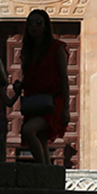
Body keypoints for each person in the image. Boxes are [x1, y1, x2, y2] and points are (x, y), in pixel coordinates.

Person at [11, 9, 70, 166]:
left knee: (28, 131)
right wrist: (20, 85)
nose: (34, 26)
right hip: (35, 101)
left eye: (38, 23)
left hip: (52, 101)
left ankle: (42, 170)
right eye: (30, 23)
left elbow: (64, 78)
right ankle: (47, 174)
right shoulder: (28, 51)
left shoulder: (56, 48)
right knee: (42, 139)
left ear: (45, 26)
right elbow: (31, 76)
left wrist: (66, 108)